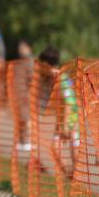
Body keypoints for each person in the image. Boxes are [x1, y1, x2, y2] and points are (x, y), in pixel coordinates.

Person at [39, 45, 79, 177]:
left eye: (41, 65)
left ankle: (76, 173)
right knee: (56, 146)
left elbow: (69, 101)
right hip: (62, 115)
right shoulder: (54, 78)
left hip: (71, 115)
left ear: (47, 64)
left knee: (73, 143)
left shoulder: (61, 78)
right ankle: (69, 173)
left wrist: (65, 125)